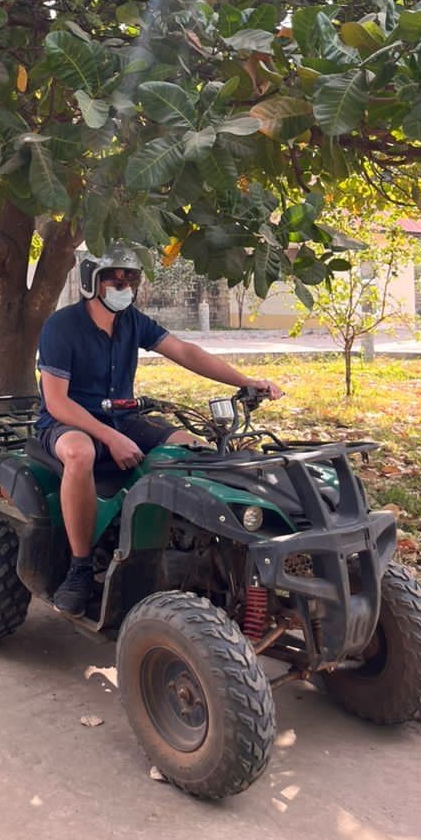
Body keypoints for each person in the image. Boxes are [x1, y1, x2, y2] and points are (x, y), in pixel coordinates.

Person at [37, 243, 284, 617]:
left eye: (130, 277)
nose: (122, 285)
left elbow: (185, 352)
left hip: (123, 418)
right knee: (80, 453)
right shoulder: (62, 326)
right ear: (92, 280)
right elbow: (57, 402)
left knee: (195, 449)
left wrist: (248, 381)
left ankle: (202, 545)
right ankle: (81, 567)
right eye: (113, 277)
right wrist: (110, 436)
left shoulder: (132, 321)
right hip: (68, 422)